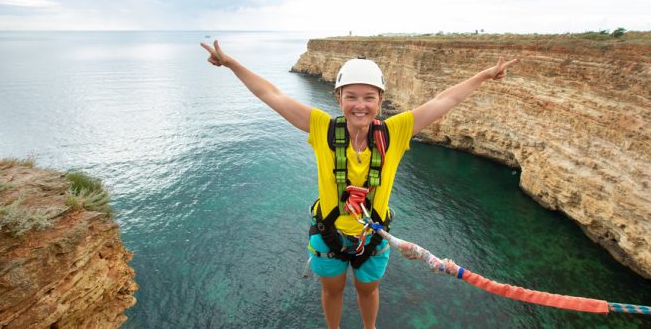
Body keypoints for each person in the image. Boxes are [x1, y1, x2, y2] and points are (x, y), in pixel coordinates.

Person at [201, 40, 517, 329]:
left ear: (380, 100)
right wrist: (232, 64)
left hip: (373, 237)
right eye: (351, 97)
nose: (359, 105)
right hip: (330, 234)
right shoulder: (322, 128)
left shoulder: (396, 131)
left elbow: (444, 99)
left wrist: (484, 76)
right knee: (332, 291)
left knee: (368, 292)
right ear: (338, 98)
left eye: (369, 97)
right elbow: (272, 95)